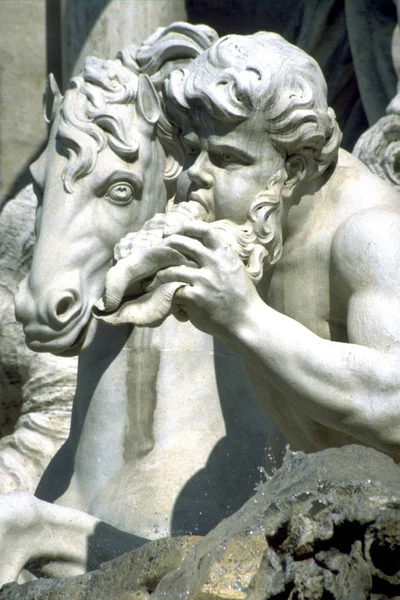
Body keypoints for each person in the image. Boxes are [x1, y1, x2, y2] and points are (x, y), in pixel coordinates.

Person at [102, 31, 400, 462]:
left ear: (293, 169)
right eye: (191, 151)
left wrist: (243, 316)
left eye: (226, 158)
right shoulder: (249, 233)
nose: (197, 174)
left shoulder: (369, 236)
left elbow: (394, 409)